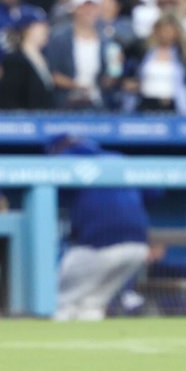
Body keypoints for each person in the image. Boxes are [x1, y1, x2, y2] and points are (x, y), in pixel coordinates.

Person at [47, 134, 151, 321]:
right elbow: (154, 192)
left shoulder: (66, 160)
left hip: (99, 244)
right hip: (139, 247)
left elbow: (53, 193)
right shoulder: (118, 159)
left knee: (56, 301)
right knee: (92, 304)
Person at [0, 5, 55, 109]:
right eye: (40, 25)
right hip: (24, 121)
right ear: (27, 29)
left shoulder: (42, 58)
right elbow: (10, 100)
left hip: (43, 120)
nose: (46, 30)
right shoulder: (15, 60)